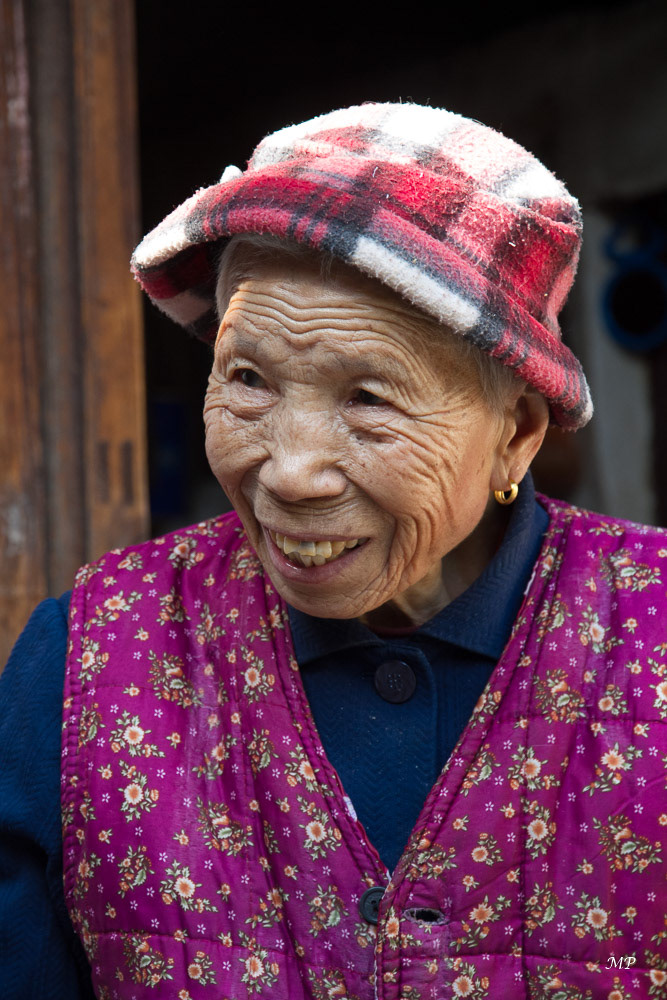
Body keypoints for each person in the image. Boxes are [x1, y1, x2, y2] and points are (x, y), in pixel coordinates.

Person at [1, 102, 665, 1000]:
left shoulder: (650, 633)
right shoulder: (85, 662)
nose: (290, 470)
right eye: (246, 378)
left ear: (514, 432)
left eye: (367, 398)